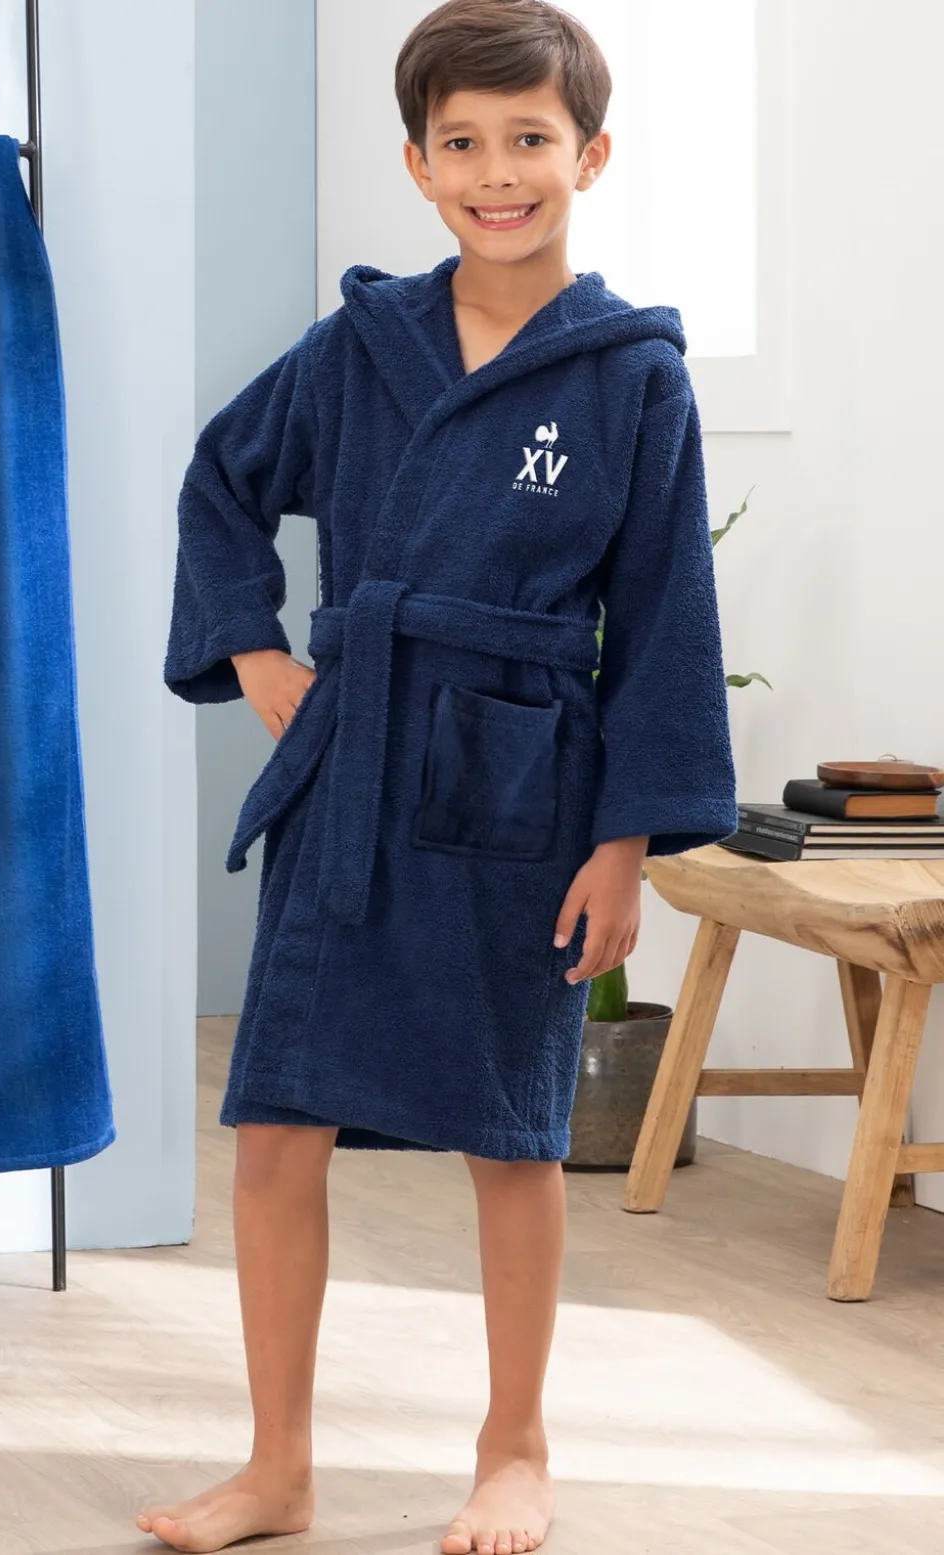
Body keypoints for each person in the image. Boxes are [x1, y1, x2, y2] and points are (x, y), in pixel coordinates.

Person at [145, 1, 738, 1550]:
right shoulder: (361, 350)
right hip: (354, 774)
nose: (496, 173)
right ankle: (278, 1463)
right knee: (276, 1123)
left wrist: (626, 840)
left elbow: (665, 617)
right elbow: (222, 480)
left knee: (510, 1130)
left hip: (519, 788)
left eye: (528, 140)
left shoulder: (632, 380)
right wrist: (254, 650)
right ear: (416, 164)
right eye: (461, 144)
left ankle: (514, 1446)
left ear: (589, 155)